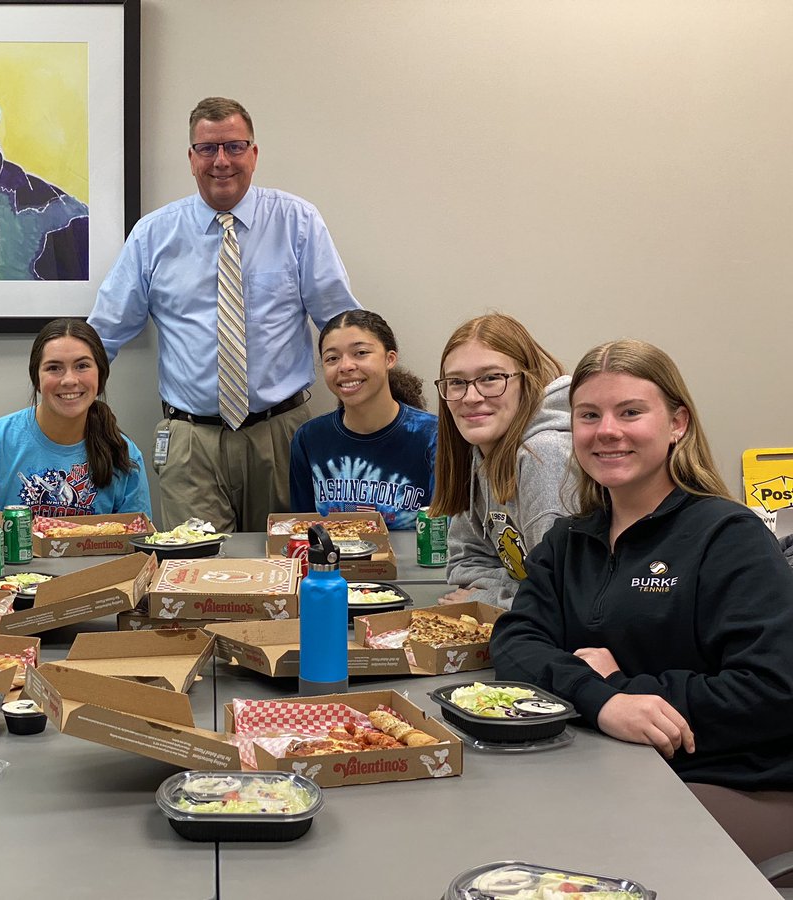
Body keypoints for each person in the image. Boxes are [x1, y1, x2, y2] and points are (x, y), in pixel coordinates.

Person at [490, 339, 793, 866]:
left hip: (732, 782)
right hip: (605, 764)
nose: (607, 431)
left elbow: (772, 691)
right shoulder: (568, 541)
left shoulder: (728, 536)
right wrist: (603, 701)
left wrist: (622, 689)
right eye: (589, 415)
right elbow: (515, 642)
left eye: (630, 412)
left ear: (677, 423)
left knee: (573, 858)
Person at [88, 96, 360, 532]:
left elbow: (342, 324)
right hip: (190, 441)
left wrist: (371, 406)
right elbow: (104, 334)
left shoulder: (298, 222)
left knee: (288, 567)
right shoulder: (154, 234)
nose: (221, 161)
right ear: (191, 159)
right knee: (197, 579)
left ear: (254, 153)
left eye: (234, 147)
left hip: (282, 435)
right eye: (208, 149)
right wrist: (71, 404)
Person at [430, 313, 572, 608]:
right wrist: (506, 589)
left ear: (527, 381)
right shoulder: (481, 446)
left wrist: (489, 596)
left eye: (491, 378)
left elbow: (562, 594)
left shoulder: (544, 454)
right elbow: (464, 561)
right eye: (457, 382)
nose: (471, 396)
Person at [0, 318, 151, 518]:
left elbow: (137, 541)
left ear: (100, 376)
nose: (69, 380)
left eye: (82, 366)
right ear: (37, 380)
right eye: (54, 368)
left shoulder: (124, 455)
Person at [289, 309, 436, 530]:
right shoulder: (308, 439)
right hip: (331, 564)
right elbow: (301, 530)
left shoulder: (432, 436)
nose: (345, 366)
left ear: (390, 358)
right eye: (332, 358)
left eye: (360, 353)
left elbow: (449, 536)